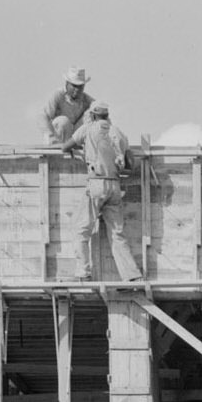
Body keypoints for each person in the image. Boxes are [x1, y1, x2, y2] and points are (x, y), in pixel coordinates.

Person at [61, 102, 143, 282]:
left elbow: (65, 147)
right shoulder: (118, 132)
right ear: (107, 115)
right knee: (117, 234)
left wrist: (82, 150)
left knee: (81, 229)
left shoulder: (87, 129)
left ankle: (83, 273)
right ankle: (132, 276)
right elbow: (129, 161)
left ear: (92, 114)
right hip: (114, 185)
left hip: (96, 183)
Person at [41, 67, 94, 145]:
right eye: (74, 86)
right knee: (63, 121)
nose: (77, 89)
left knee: (91, 115)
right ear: (67, 83)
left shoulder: (87, 100)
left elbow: (102, 113)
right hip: (58, 138)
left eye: (80, 86)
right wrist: (50, 135)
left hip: (75, 140)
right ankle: (57, 151)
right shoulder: (58, 95)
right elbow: (43, 116)